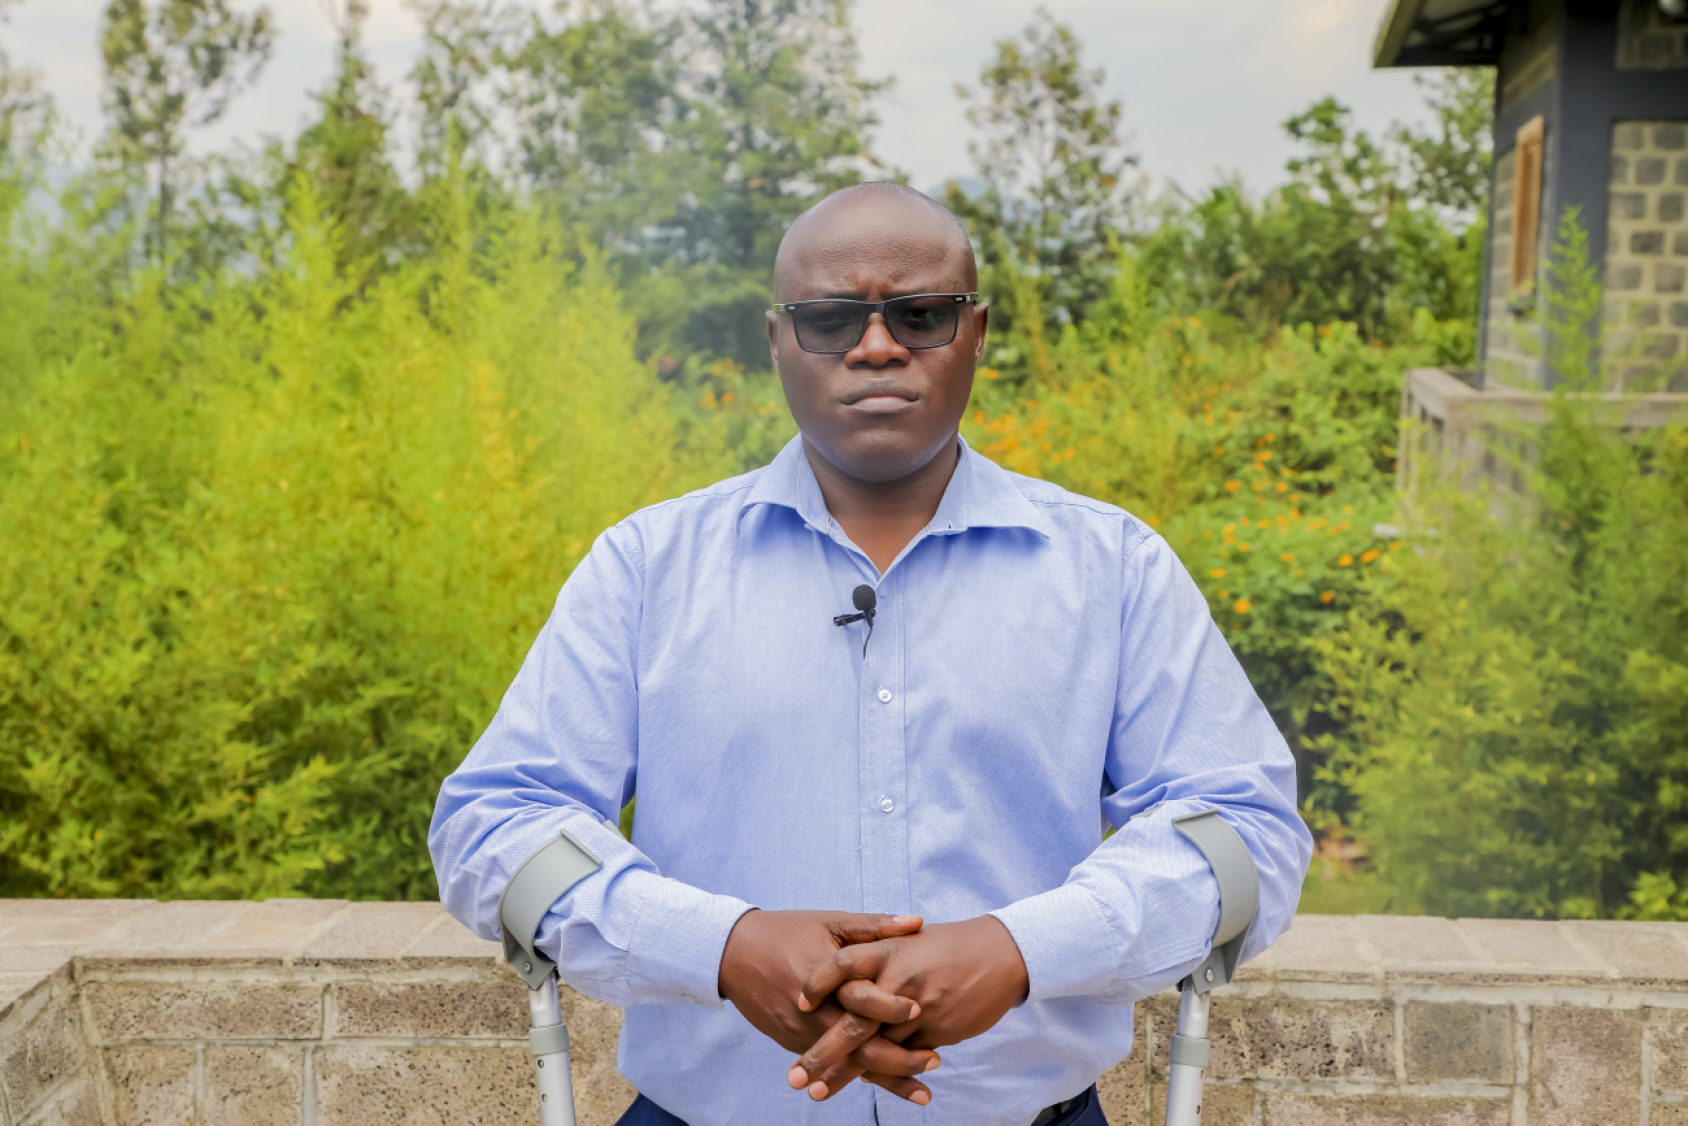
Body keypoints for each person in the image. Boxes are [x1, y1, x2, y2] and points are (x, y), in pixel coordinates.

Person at [429, 182, 1312, 1126]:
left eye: (922, 314)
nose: (878, 345)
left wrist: (1020, 951)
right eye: (831, 319)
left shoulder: (1114, 568)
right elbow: (493, 824)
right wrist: (721, 947)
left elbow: (1246, 832)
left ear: (977, 332)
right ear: (779, 341)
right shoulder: (647, 568)